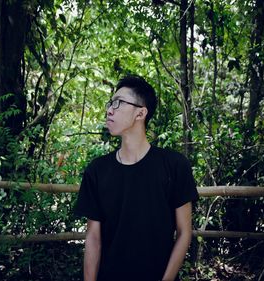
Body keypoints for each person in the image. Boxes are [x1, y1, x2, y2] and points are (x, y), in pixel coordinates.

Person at [74, 74, 199, 281]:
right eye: (110, 103)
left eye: (119, 103)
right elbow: (93, 238)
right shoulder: (97, 170)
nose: (109, 109)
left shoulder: (174, 165)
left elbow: (184, 232)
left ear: (141, 113)